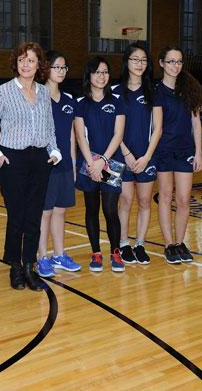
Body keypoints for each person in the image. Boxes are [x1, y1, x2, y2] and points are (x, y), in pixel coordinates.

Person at [0, 42, 61, 291]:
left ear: (39, 65)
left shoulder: (44, 93)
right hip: (13, 161)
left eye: (30, 60)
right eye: (21, 60)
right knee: (17, 216)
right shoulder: (4, 92)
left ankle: (30, 265)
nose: (25, 64)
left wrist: (54, 150)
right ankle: (15, 266)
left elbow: (49, 127)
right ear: (15, 64)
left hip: (39, 161)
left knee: (34, 217)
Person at [74, 56, 126, 273]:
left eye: (105, 72)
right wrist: (91, 164)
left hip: (110, 163)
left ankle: (116, 251)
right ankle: (96, 252)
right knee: (92, 208)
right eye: (97, 72)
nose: (101, 76)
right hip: (89, 164)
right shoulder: (80, 104)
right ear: (89, 75)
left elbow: (118, 134)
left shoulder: (117, 102)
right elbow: (80, 137)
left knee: (110, 209)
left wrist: (103, 161)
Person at [154, 46, 202, 264]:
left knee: (183, 200)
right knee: (165, 197)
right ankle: (169, 245)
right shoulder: (156, 92)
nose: (176, 66)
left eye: (179, 61)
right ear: (161, 63)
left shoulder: (190, 90)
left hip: (185, 151)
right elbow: (156, 126)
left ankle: (180, 241)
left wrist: (199, 153)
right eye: (171, 61)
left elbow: (196, 123)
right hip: (164, 151)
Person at [114, 42, 161, 265]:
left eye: (143, 60)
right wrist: (126, 154)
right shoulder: (114, 92)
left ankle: (140, 244)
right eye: (135, 59)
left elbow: (158, 128)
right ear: (127, 62)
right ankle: (123, 244)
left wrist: (146, 157)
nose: (140, 64)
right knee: (125, 200)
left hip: (146, 157)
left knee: (144, 201)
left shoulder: (154, 91)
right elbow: (113, 129)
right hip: (123, 156)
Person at [35, 50, 81, 278]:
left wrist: (72, 164)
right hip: (44, 165)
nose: (61, 71)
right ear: (46, 69)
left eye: (64, 67)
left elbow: (72, 135)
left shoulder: (70, 100)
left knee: (60, 211)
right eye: (57, 67)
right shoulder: (36, 96)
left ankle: (59, 254)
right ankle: (42, 256)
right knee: (45, 212)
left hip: (64, 165)